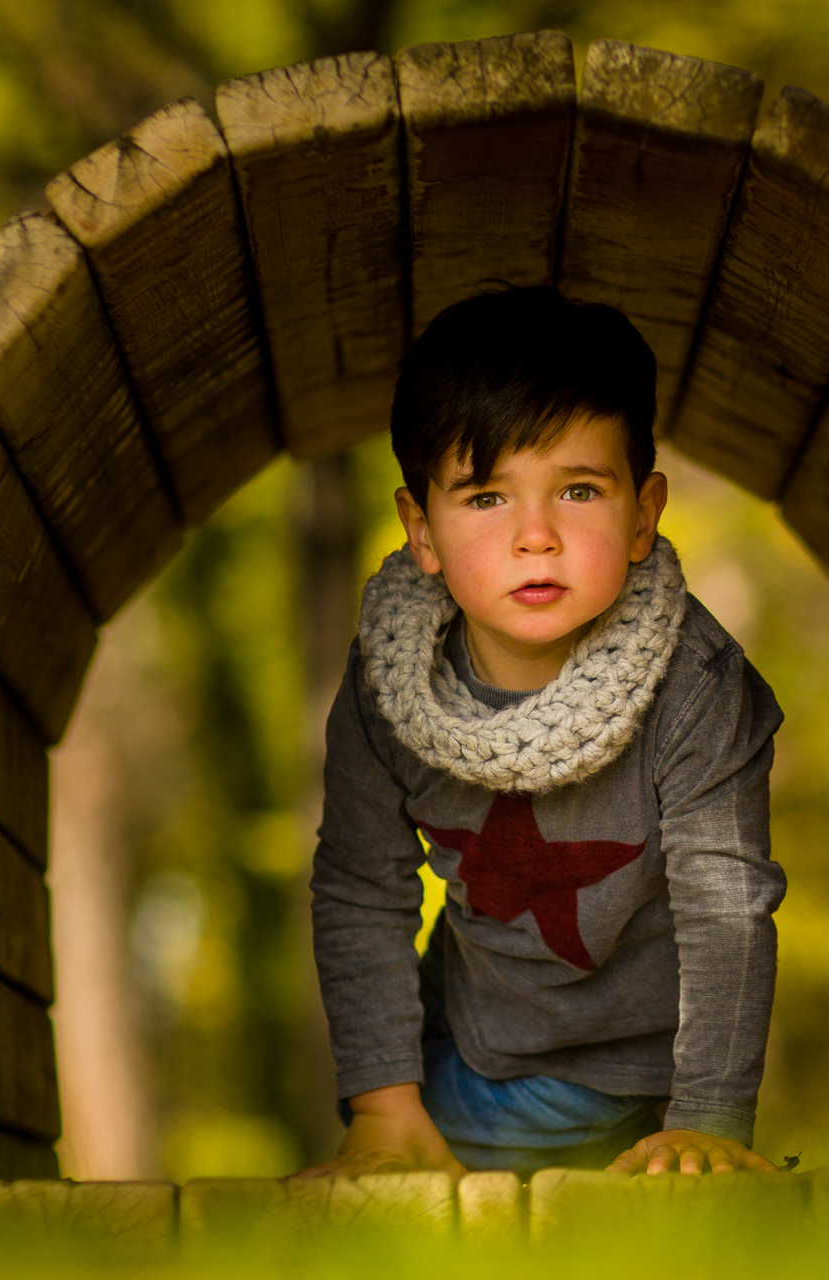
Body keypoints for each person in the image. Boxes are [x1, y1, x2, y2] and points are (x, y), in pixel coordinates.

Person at [298, 286, 784, 1180]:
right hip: (482, 1074)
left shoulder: (696, 684)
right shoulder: (390, 686)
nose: (536, 537)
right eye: (486, 497)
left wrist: (709, 1121)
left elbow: (728, 903)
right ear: (422, 530)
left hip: (663, 1086)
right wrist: (386, 1107)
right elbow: (362, 892)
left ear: (643, 515)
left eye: (579, 489)